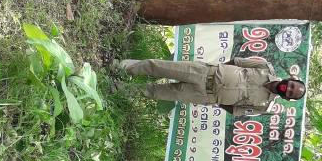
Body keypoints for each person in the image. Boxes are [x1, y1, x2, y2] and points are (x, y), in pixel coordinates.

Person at [120, 56, 306, 114]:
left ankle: (119, 88)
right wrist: (219, 72)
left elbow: (234, 110)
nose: (288, 89)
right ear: (290, 79)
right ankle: (122, 67)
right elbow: (237, 61)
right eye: (291, 85)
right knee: (157, 67)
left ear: (287, 98)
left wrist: (217, 97)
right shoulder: (264, 66)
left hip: (204, 96)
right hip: (204, 72)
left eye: (291, 92)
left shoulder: (263, 107)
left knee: (156, 92)